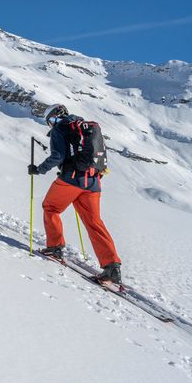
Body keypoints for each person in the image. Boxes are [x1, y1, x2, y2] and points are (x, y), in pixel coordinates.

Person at [29, 104, 122, 283]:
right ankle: (112, 267)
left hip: (72, 180)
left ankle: (55, 247)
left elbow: (57, 156)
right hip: (93, 182)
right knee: (94, 223)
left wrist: (38, 170)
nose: (51, 125)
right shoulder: (86, 127)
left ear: (54, 118)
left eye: (50, 121)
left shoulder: (60, 129)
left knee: (50, 207)